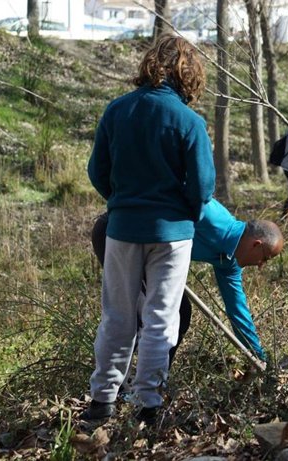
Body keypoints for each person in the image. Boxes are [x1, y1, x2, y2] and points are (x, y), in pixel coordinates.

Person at [84, 34, 216, 425]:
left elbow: (97, 172)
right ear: (190, 74)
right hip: (172, 234)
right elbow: (203, 186)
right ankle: (149, 405)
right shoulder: (190, 121)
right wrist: (184, 212)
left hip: (123, 228)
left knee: (117, 316)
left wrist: (122, 202)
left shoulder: (117, 110)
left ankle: (102, 401)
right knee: (161, 317)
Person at [90, 199, 284, 366]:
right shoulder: (210, 215)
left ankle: (154, 380)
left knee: (179, 312)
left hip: (150, 255)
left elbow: (237, 309)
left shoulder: (229, 260)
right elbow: (166, 194)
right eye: (265, 258)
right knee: (137, 315)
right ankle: (116, 388)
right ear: (256, 245)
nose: (261, 265)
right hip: (119, 233)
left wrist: (257, 356)